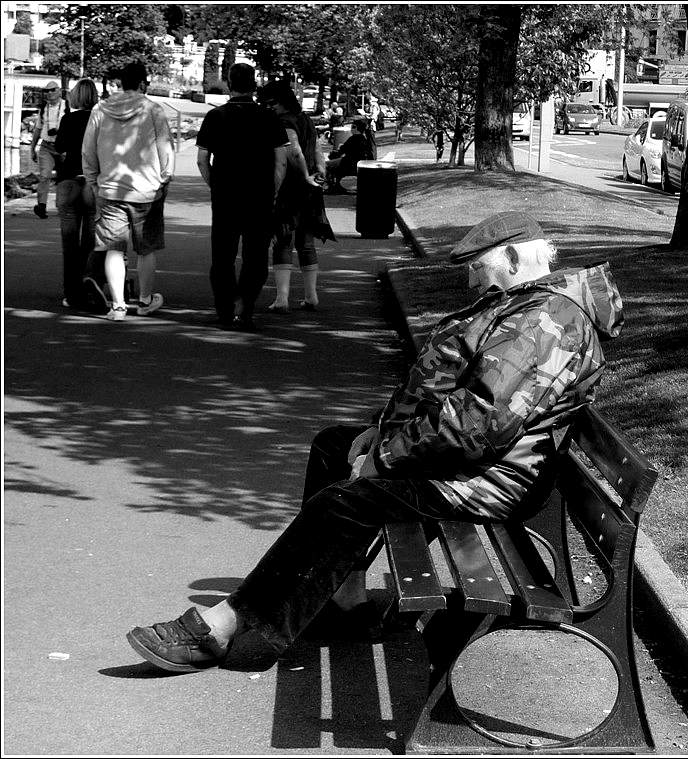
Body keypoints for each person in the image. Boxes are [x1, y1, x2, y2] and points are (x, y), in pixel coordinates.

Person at [126, 211, 624, 673]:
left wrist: (385, 456)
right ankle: (344, 601)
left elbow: (475, 427)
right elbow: (448, 390)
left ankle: (222, 626)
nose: (471, 282)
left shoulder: (542, 322)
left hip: (489, 481)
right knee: (333, 447)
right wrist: (379, 428)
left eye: (477, 269)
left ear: (514, 259)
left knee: (343, 504)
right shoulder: (531, 307)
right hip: (474, 464)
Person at [196, 63, 288, 331]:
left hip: (225, 194)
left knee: (223, 255)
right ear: (254, 84)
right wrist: (272, 189)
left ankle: (224, 308)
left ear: (228, 83)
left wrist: (215, 184)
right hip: (259, 195)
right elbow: (280, 161)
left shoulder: (216, 116)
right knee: (256, 255)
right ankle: (244, 307)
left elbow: (203, 160)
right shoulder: (269, 118)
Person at [82, 61, 173, 322]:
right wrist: (165, 179)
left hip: (110, 189)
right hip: (147, 189)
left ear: (121, 83)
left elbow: (87, 150)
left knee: (113, 248)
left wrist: (94, 181)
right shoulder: (154, 110)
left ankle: (118, 306)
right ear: (143, 83)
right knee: (146, 248)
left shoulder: (101, 109)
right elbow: (165, 148)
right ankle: (144, 301)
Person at [257, 80, 331, 313]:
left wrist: (305, 176)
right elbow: (318, 150)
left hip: (290, 188)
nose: (269, 108)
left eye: (271, 103)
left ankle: (282, 298)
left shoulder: (285, 122)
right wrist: (320, 174)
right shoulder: (306, 119)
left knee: (283, 242)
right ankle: (311, 296)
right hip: (311, 192)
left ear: (282, 102)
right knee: (306, 244)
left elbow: (293, 151)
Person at [53, 77, 107, 314]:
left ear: (76, 96)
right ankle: (90, 284)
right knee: (92, 240)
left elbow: (59, 146)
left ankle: (70, 294)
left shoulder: (68, 118)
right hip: (92, 182)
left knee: (69, 243)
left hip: (68, 182)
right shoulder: (101, 120)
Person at [30, 80, 69, 219]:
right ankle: (42, 205)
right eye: (47, 91)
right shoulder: (43, 108)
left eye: (52, 90)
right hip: (46, 145)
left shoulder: (68, 106)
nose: (50, 93)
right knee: (44, 176)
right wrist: (33, 147)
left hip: (64, 147)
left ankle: (62, 206)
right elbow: (38, 129)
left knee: (63, 179)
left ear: (59, 91)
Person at [325, 119, 372, 193]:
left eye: (352, 127)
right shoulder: (364, 139)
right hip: (358, 163)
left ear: (356, 128)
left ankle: (330, 184)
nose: (351, 129)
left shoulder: (353, 139)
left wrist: (333, 153)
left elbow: (341, 151)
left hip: (348, 162)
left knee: (326, 164)